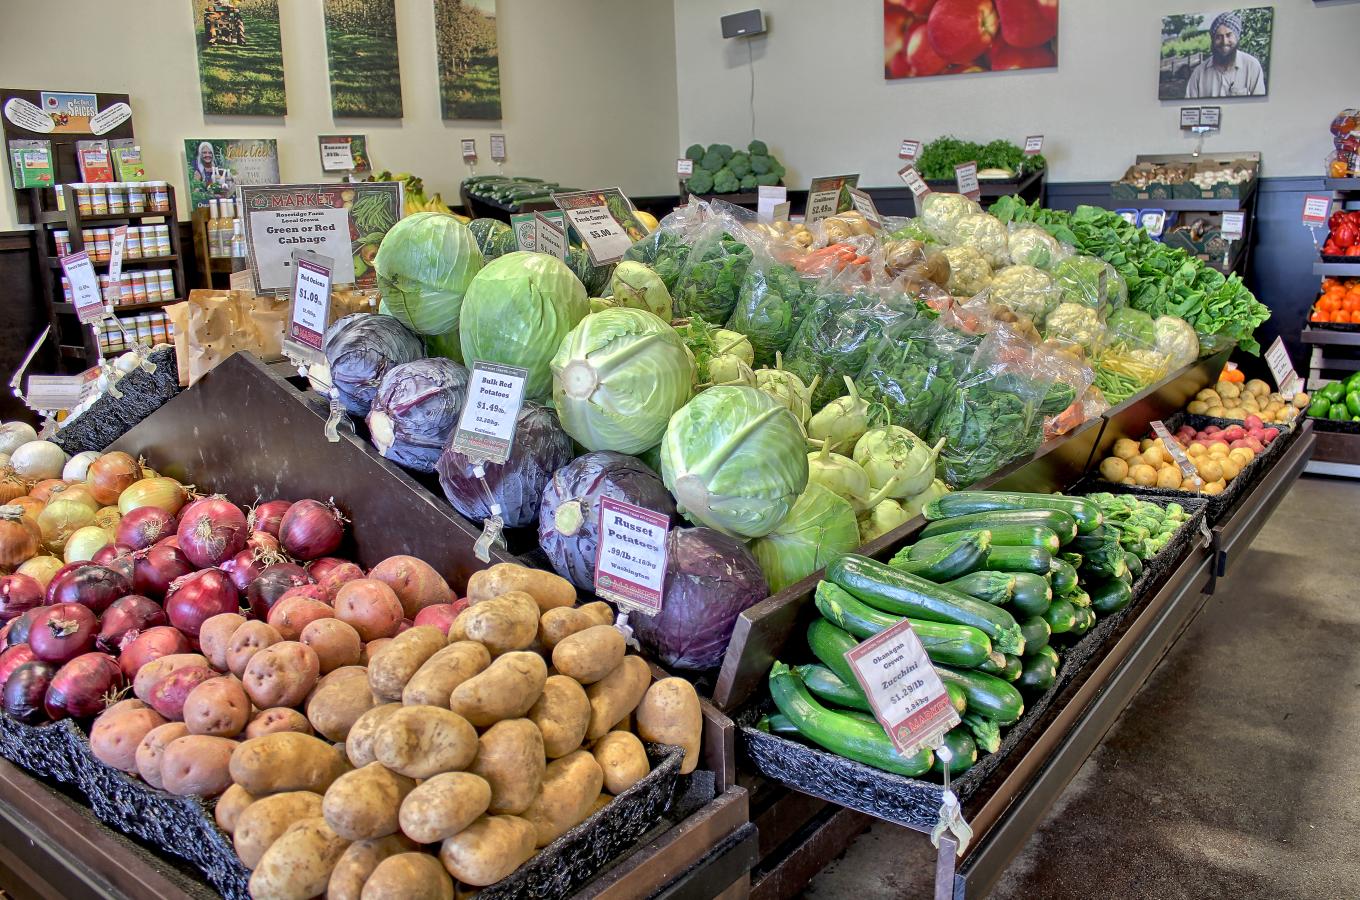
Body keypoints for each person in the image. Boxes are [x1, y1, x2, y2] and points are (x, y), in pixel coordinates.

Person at [1185, 12, 1266, 98]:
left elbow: (1259, 105)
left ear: (1237, 37)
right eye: (1219, 37)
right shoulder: (1199, 73)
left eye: (1229, 35)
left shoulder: (1252, 66)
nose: (1224, 42)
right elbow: (1188, 107)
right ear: (1213, 40)